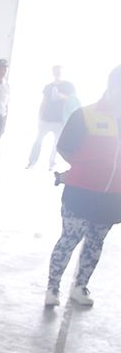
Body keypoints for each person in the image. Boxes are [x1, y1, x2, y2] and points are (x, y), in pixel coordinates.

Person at [44, 65, 121, 308]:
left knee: (96, 242)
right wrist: (84, 169)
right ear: (112, 86)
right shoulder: (85, 115)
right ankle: (52, 288)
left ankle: (80, 286)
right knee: (69, 239)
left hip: (113, 196)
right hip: (80, 192)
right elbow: (64, 147)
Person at [29, 66, 78, 171]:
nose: (57, 73)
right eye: (55, 71)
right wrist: (39, 116)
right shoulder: (48, 87)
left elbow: (74, 100)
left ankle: (52, 163)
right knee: (38, 140)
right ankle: (32, 161)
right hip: (46, 118)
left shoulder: (68, 86)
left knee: (56, 143)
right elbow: (44, 101)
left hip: (60, 120)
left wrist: (62, 97)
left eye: (59, 71)